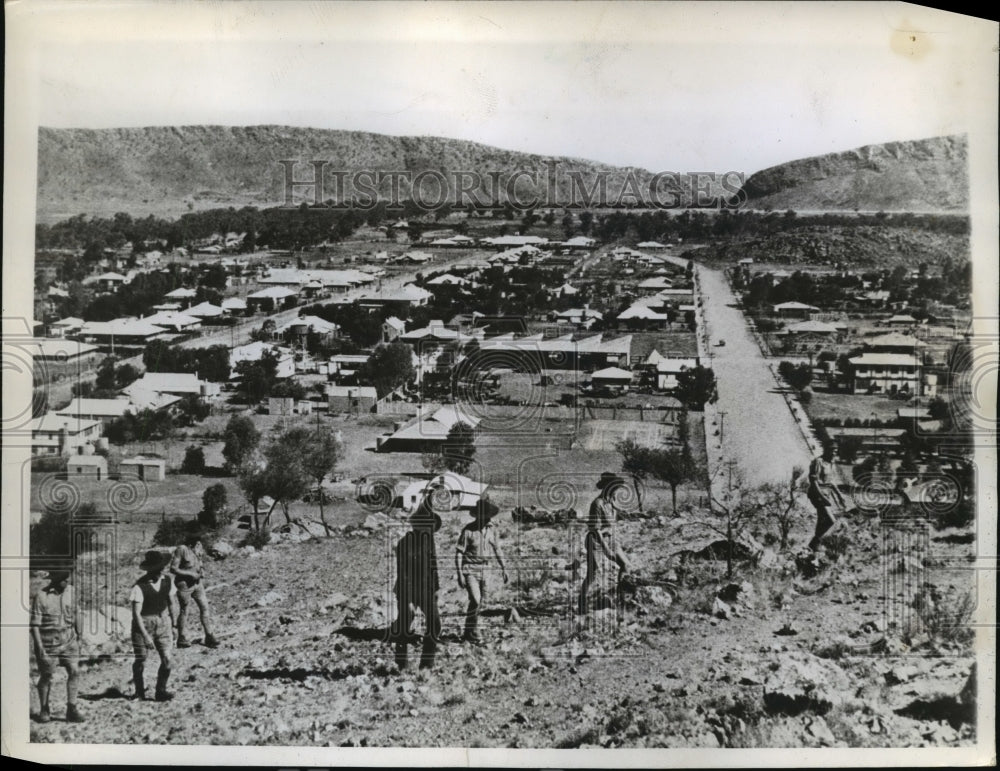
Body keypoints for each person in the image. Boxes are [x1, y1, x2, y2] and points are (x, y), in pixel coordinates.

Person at [390, 495, 443, 670]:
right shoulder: (404, 544)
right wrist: (409, 602)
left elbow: (433, 565)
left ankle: (427, 664)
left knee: (435, 624)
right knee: (405, 626)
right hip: (407, 590)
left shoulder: (429, 542)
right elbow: (403, 573)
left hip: (426, 589)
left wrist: (436, 588)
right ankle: (401, 663)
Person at [30, 569, 84, 723]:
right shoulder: (41, 596)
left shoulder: (71, 592)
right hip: (48, 644)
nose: (68, 582)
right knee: (47, 676)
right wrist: (39, 647)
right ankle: (44, 709)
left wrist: (80, 636)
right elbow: (34, 625)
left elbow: (77, 613)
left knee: (75, 671)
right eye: (65, 580)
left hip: (69, 640)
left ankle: (72, 709)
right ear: (57, 580)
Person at [455, 498, 508, 645]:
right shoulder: (468, 531)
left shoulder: (492, 530)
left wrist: (504, 568)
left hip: (486, 570)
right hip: (470, 570)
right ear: (478, 516)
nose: (488, 519)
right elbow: (459, 553)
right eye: (485, 516)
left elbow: (497, 549)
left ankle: (468, 631)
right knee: (476, 599)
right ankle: (474, 630)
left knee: (479, 603)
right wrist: (460, 574)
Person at [578, 472, 632, 615]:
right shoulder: (597, 504)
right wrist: (606, 548)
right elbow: (594, 529)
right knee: (593, 573)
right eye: (614, 487)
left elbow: (615, 519)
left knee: (626, 565)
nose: (616, 490)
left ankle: (620, 599)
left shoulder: (611, 503)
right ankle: (581, 604)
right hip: (596, 541)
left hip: (611, 539)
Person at [130, 550, 178, 701]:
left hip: (163, 622)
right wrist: (146, 636)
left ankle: (160, 691)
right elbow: (136, 614)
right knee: (141, 660)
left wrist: (175, 625)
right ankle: (139, 692)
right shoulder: (139, 587)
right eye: (155, 570)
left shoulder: (167, 581)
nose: (159, 572)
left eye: (160, 569)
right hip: (144, 625)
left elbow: (172, 603)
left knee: (167, 660)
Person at [170, 533, 219, 649]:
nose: (199, 544)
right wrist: (190, 574)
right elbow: (173, 568)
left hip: (197, 584)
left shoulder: (197, 548)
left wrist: (202, 569)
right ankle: (181, 638)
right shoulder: (181, 549)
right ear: (190, 542)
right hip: (184, 585)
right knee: (184, 610)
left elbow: (199, 562)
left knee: (205, 607)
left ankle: (209, 635)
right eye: (196, 543)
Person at [807, 446, 848, 552]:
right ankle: (815, 542)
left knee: (822, 519)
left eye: (835, 451)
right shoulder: (818, 462)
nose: (834, 453)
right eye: (832, 450)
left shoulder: (831, 463)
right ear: (826, 449)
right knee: (830, 520)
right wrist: (822, 497)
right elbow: (814, 482)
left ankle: (814, 546)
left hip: (827, 493)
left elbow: (831, 481)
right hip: (816, 493)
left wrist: (839, 495)